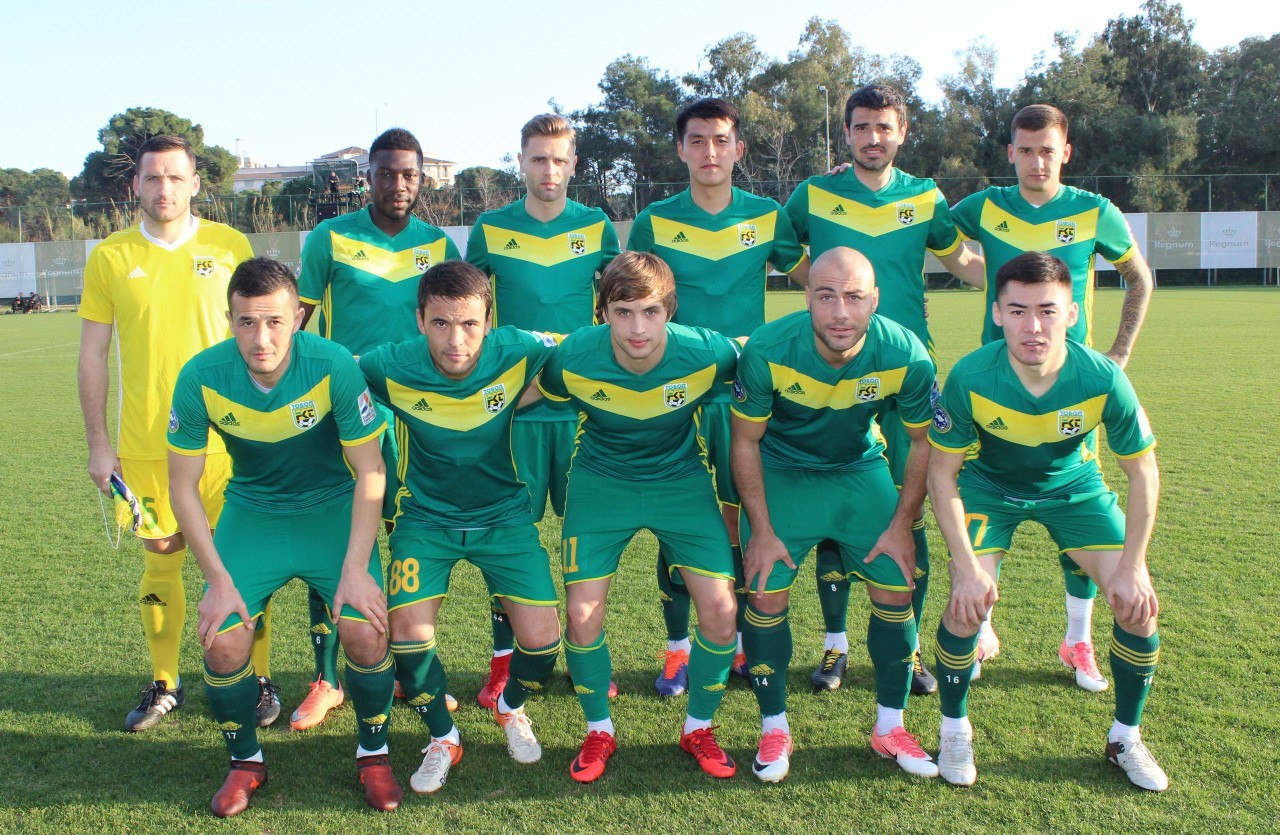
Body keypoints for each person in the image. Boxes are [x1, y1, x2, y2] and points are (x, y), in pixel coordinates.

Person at [926, 251, 1166, 791]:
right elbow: (942, 476)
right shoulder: (970, 376)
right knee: (966, 607)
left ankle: (1125, 737)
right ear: (997, 313)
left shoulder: (1102, 378)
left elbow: (1143, 474)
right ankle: (954, 729)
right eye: (1017, 311)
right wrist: (966, 568)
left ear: (1072, 313)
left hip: (1074, 491)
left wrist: (1134, 566)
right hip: (990, 490)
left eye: (1047, 310)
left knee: (1136, 608)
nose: (1033, 326)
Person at [168, 258, 399, 816]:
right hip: (254, 513)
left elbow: (370, 470)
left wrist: (355, 569)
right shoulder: (200, 376)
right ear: (229, 320)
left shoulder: (332, 364)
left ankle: (374, 753)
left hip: (330, 510)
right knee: (223, 640)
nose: (261, 338)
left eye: (274, 321)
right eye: (246, 322)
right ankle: (245, 762)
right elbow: (182, 487)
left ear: (298, 317)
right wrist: (217, 581)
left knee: (365, 629)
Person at [784, 84, 986, 697]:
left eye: (884, 127)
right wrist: (830, 298)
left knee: (908, 505)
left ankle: (910, 644)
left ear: (902, 132)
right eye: (862, 127)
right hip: (830, 371)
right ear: (847, 132)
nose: (873, 138)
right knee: (834, 505)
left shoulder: (925, 197)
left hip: (906, 372)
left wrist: (1042, 268)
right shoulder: (813, 194)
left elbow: (966, 265)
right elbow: (782, 248)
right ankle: (835, 644)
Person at [77, 134, 279, 732]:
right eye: (152, 177)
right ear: (135, 185)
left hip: (232, 440)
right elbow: (93, 356)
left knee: (242, 563)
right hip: (149, 442)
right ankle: (166, 682)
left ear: (195, 183)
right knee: (162, 556)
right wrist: (98, 444)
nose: (163, 188)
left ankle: (258, 678)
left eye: (174, 177)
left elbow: (263, 336)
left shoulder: (230, 245)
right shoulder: (110, 256)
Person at [950, 104, 1154, 688]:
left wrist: (1119, 353)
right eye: (1025, 150)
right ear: (1010, 153)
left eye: (1047, 151)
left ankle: (1077, 639)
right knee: (985, 491)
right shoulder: (984, 207)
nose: (1036, 162)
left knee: (1075, 504)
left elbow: (1140, 277)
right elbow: (930, 232)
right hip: (997, 385)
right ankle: (983, 622)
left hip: (1074, 390)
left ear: (1065, 153)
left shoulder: (1094, 211)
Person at [731, 247, 938, 783]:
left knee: (897, 585)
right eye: (826, 296)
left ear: (875, 300)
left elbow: (923, 443)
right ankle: (774, 726)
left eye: (853, 297)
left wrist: (902, 525)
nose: (840, 312)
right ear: (807, 298)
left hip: (858, 470)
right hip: (783, 471)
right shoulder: (768, 349)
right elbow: (745, 442)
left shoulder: (905, 353)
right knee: (764, 590)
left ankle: (890, 727)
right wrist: (762, 530)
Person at [358, 261, 562, 795]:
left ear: (489, 322)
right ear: (419, 320)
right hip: (425, 519)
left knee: (543, 647)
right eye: (441, 323)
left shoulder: (520, 349)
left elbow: (588, 347)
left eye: (470, 324)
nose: (456, 340)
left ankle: (509, 706)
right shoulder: (387, 364)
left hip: (505, 517)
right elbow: (332, 373)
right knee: (408, 641)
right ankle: (442, 736)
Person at [627, 97, 808, 696]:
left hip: (745, 395)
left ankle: (737, 643)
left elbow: (814, 277)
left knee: (741, 518)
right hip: (673, 394)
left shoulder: (768, 216)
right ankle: (677, 649)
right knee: (677, 519)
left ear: (739, 149)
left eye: (721, 140)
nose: (710, 151)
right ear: (681, 149)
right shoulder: (654, 221)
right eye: (698, 140)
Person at [538, 252, 742, 782]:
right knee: (582, 615)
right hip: (600, 484)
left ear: (670, 310)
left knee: (721, 609)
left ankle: (698, 727)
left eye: (651, 312)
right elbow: (528, 392)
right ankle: (599, 730)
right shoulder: (573, 357)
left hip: (681, 483)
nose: (637, 328)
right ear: (602, 311)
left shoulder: (707, 353)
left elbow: (760, 362)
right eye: (623, 312)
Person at [297, 128, 461, 729]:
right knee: (337, 543)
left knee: (408, 540)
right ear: (367, 176)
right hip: (346, 415)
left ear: (422, 179)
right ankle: (327, 679)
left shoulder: (439, 245)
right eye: (386, 172)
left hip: (417, 418)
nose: (398, 184)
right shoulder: (329, 237)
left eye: (409, 174)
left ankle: (406, 670)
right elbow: (296, 324)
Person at [466, 113, 620, 707]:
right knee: (509, 540)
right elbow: (471, 314)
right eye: (538, 158)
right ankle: (503, 662)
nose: (548, 170)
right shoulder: (490, 229)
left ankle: (588, 658)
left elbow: (618, 307)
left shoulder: (597, 227)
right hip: (517, 414)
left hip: (581, 412)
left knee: (589, 543)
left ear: (573, 164)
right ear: (521, 162)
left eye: (559, 159)